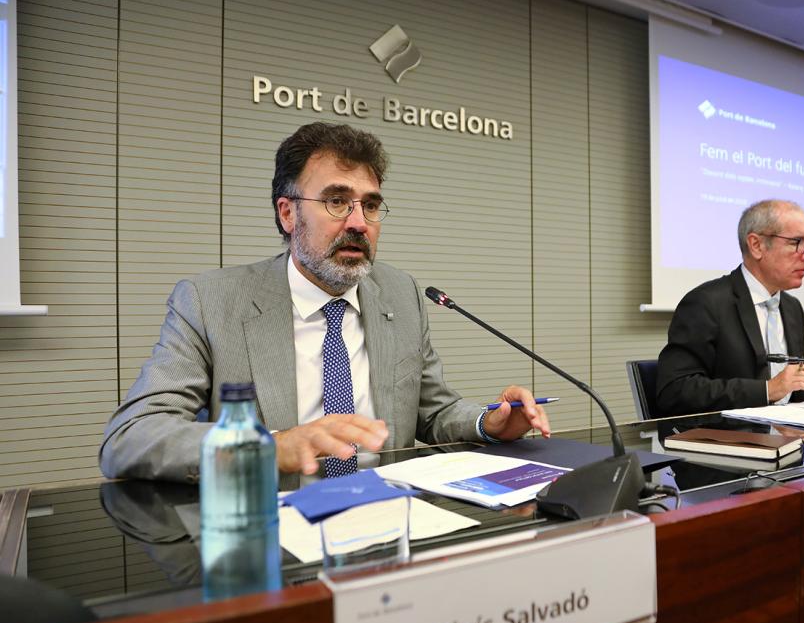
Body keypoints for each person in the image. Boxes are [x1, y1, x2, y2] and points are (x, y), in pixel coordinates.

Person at [101, 122, 549, 484]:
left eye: (370, 206)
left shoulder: (401, 294)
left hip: (393, 520)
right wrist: (272, 446)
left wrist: (486, 424)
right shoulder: (209, 301)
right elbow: (131, 437)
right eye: (337, 201)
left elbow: (432, 412)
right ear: (287, 212)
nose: (358, 222)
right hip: (277, 530)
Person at [656, 199, 804, 415]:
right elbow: (674, 391)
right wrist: (767, 390)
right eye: (797, 242)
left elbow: (790, 390)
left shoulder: (791, 308)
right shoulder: (706, 303)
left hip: (788, 446)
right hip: (728, 453)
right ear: (756, 245)